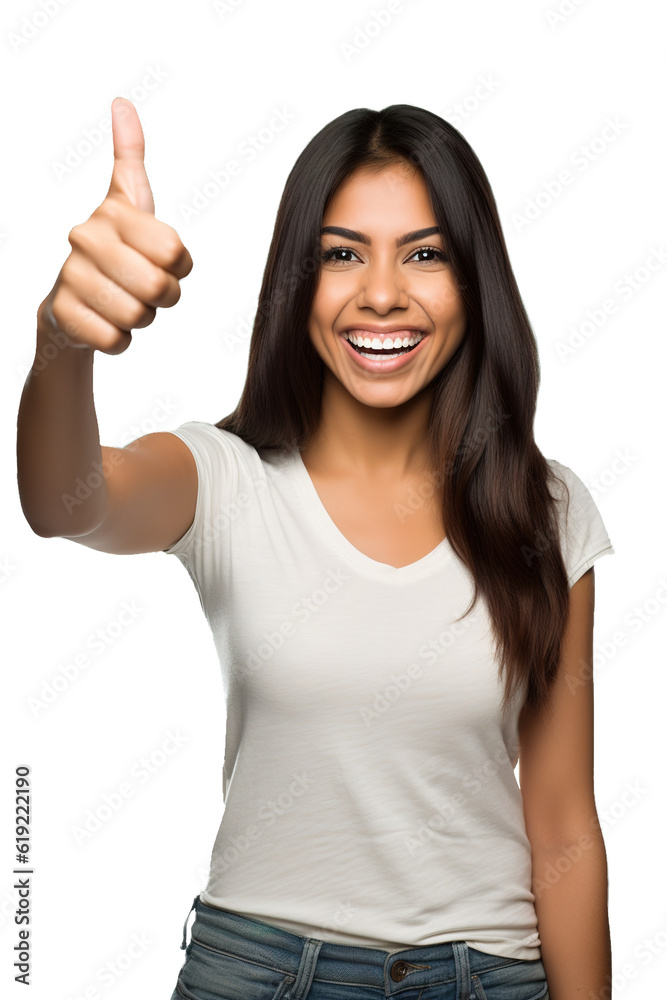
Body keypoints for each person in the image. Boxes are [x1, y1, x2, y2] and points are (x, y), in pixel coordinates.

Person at [17, 97, 615, 1000]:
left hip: (486, 977)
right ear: (297, 281)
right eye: (342, 254)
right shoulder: (222, 478)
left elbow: (564, 826)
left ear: (474, 280)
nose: (381, 293)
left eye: (425, 254)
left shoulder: (547, 508)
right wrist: (63, 341)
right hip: (257, 971)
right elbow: (63, 502)